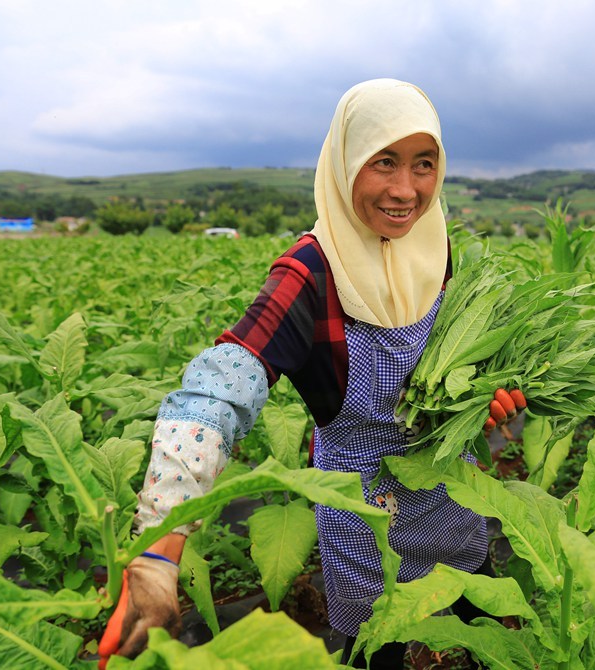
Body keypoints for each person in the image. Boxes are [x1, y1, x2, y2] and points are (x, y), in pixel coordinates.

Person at [98, 79, 520, 669]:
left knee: (482, 629)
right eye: (384, 163)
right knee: (380, 649)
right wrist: (157, 553)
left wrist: (486, 404)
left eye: (424, 164)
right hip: (366, 515)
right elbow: (216, 393)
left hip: (452, 497)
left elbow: (465, 376)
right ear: (346, 164)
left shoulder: (436, 248)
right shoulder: (311, 271)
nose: (406, 190)